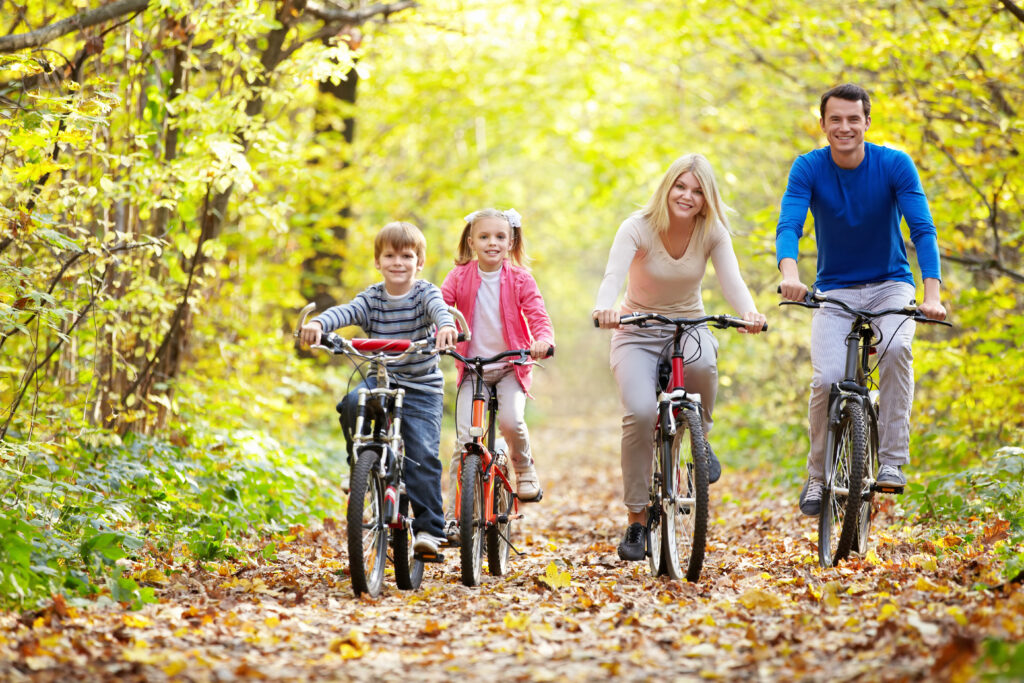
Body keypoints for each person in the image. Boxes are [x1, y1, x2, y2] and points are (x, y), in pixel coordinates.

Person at [775, 83, 946, 517]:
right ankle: (817, 475)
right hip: (835, 289)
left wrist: (932, 296)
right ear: (823, 124)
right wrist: (791, 276)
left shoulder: (894, 165)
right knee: (826, 379)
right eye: (836, 119)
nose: (845, 127)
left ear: (867, 122)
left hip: (891, 283)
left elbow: (922, 230)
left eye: (854, 119)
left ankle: (890, 461)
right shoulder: (808, 168)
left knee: (897, 349)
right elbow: (790, 225)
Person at [593, 154, 766, 562]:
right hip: (636, 331)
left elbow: (732, 280)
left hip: (689, 326)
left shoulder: (712, 232)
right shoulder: (637, 227)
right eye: (680, 187)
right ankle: (637, 520)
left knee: (704, 364)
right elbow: (613, 276)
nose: (687, 196)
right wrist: (607, 307)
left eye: (697, 190)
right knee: (638, 413)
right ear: (666, 187)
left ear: (707, 198)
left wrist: (750, 312)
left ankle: (699, 443)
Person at [299, 221, 458, 554]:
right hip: (381, 378)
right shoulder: (372, 298)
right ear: (377, 261)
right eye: (389, 255)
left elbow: (440, 311)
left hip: (421, 387)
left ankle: (430, 530)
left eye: (406, 255)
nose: (398, 262)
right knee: (351, 403)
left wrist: (445, 327)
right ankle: (359, 464)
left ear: (419, 262)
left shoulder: (424, 293)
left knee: (422, 455)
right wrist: (318, 323)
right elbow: (346, 312)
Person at [441, 208, 555, 541]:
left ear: (511, 241)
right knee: (463, 443)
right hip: (472, 368)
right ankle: (452, 517)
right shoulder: (458, 276)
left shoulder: (520, 279)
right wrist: (443, 330)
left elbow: (537, 314)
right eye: (485, 236)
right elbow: (441, 307)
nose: (493, 243)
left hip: (510, 366)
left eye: (500, 237)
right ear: (472, 241)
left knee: (511, 421)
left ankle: (523, 468)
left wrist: (543, 340)